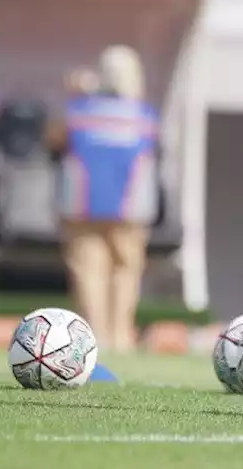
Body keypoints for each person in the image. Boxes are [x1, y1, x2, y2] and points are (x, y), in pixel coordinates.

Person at [46, 45, 161, 353]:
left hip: (84, 204)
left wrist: (78, 94)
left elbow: (53, 138)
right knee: (125, 271)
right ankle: (121, 336)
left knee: (88, 271)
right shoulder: (144, 114)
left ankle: (94, 336)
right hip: (130, 206)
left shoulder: (79, 110)